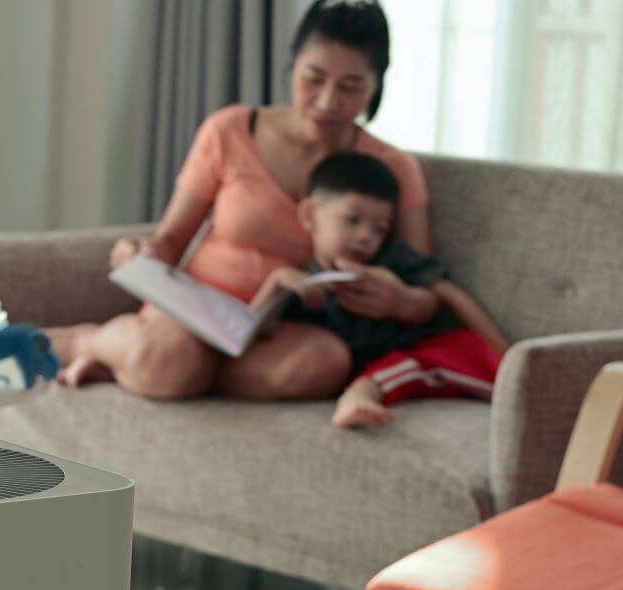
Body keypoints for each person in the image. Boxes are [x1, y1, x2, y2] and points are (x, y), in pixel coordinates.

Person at [52, 0, 440, 401]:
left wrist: (401, 299)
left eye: (350, 86)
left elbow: (426, 290)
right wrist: (139, 254)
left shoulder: (393, 168)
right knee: (172, 359)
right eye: (314, 78)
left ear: (377, 85)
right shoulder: (230, 130)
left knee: (327, 362)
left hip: (280, 330)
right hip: (196, 312)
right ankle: (88, 344)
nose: (327, 101)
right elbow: (170, 241)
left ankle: (147, 366)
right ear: (293, 66)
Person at [249, 152, 505, 428]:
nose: (365, 237)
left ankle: (515, 379)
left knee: (458, 348)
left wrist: (507, 356)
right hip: (362, 371)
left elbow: (449, 293)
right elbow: (250, 335)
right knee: (401, 367)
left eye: (379, 230)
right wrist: (274, 283)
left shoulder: (388, 259)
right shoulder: (303, 283)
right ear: (310, 215)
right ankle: (359, 397)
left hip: (410, 351)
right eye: (352, 220)